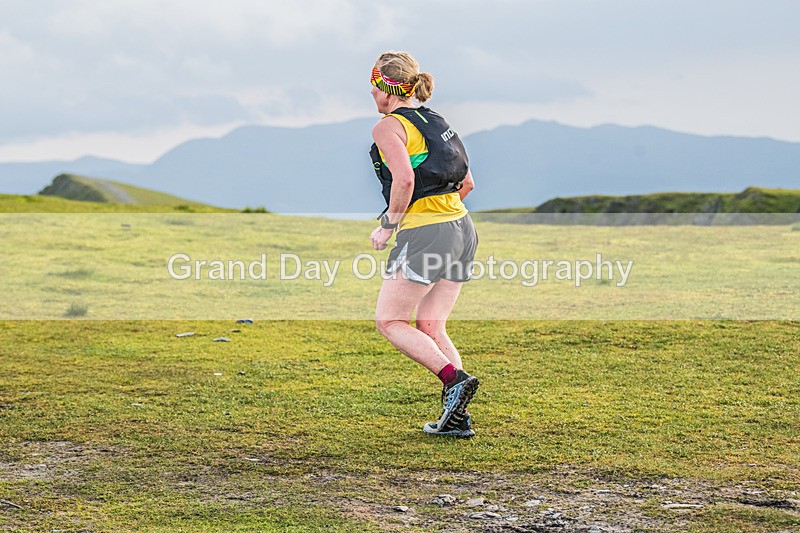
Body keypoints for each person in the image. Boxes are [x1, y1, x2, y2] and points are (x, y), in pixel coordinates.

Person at [368, 51, 480, 438]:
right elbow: (467, 185)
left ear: (383, 88)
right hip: (463, 229)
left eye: (373, 87)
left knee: (389, 321)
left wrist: (389, 225)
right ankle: (457, 418)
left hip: (428, 233)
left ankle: (454, 380)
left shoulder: (388, 126)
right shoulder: (437, 121)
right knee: (431, 324)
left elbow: (404, 182)